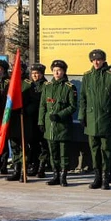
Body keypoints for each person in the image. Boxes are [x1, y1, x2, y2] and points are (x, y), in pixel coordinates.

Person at [78, 49, 111, 190]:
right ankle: (97, 177)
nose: (96, 62)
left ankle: (105, 178)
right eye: (94, 60)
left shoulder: (110, 76)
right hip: (91, 120)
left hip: (105, 119)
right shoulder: (87, 76)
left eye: (99, 60)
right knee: (94, 150)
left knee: (106, 150)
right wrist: (82, 116)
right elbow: (83, 98)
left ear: (103, 60)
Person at [39, 59, 77, 187]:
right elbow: (42, 106)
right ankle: (55, 175)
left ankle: (63, 176)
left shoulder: (69, 87)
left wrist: (59, 115)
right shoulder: (47, 86)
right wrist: (41, 122)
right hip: (49, 126)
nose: (56, 73)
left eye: (59, 71)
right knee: (53, 152)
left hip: (62, 126)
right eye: (54, 71)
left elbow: (72, 106)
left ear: (64, 72)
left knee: (63, 153)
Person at [22, 63, 49, 179]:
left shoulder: (47, 86)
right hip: (31, 119)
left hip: (42, 118)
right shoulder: (28, 85)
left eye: (37, 73)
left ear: (42, 74)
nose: (35, 76)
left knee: (43, 144)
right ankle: (34, 165)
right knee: (32, 144)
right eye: (33, 73)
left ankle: (42, 167)